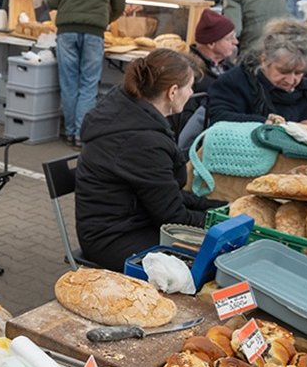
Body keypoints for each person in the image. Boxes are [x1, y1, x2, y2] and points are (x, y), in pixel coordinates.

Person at [75, 49, 223, 271]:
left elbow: (165, 193)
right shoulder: (142, 141)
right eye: (190, 87)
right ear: (172, 92)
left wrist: (216, 208)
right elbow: (173, 216)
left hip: (132, 221)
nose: (192, 93)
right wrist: (219, 223)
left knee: (213, 249)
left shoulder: (130, 111)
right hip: (114, 238)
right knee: (212, 260)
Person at [209, 20, 307, 132]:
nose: (291, 81)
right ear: (264, 60)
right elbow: (220, 116)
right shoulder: (236, 81)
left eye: (298, 73)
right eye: (283, 71)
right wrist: (271, 125)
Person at [47, 0, 126, 148]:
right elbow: (120, 4)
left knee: (69, 82)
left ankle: (69, 131)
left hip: (66, 31)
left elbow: (52, 1)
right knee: (89, 84)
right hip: (94, 32)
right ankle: (82, 135)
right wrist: (106, 19)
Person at [173, 10, 239, 149]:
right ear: (212, 43)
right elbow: (184, 121)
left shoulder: (231, 68)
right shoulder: (191, 74)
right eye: (229, 39)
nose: (236, 42)